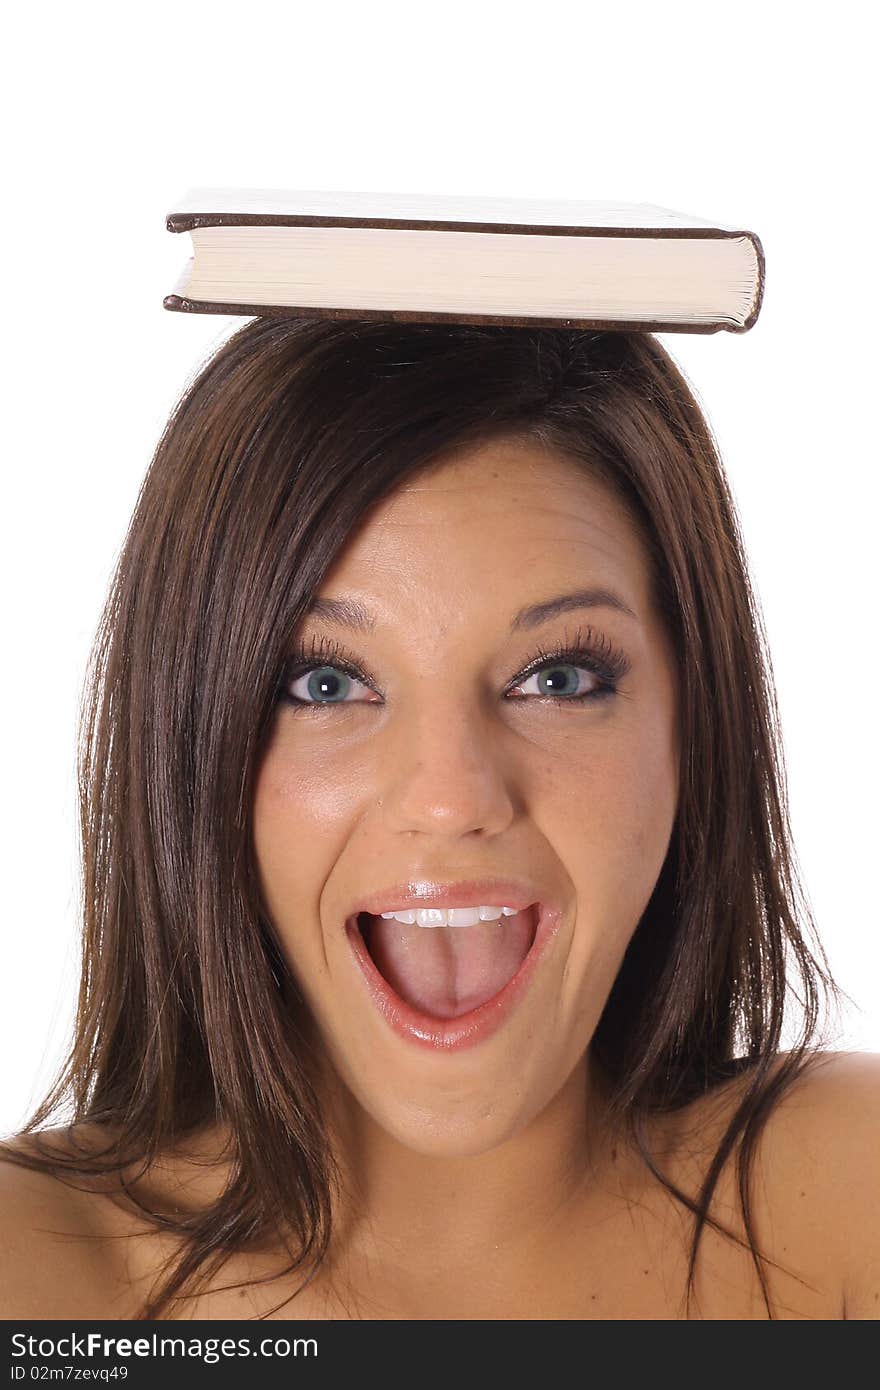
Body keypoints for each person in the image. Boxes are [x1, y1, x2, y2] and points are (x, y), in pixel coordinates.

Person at [0, 319, 877, 1321]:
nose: (451, 799)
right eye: (326, 682)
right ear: (191, 739)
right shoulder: (38, 1279)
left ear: (693, 728)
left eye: (558, 677)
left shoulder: (847, 1204)